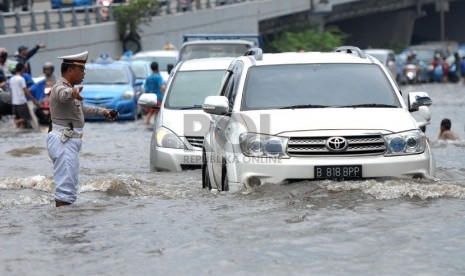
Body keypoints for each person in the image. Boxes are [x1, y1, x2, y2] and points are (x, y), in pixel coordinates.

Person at [46, 51, 118, 207]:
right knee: (65, 190)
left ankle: (67, 222)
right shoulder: (61, 88)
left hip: (69, 140)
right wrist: (72, 92)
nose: (84, 73)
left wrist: (103, 112)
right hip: (63, 140)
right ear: (71, 70)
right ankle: (64, 226)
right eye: (82, 70)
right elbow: (63, 95)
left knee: (69, 186)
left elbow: (81, 108)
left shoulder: (69, 89)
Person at [9, 62, 40, 128]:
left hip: (14, 103)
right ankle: (13, 122)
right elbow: (26, 91)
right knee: (27, 119)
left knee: (20, 121)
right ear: (22, 69)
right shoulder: (21, 79)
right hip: (22, 102)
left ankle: (17, 124)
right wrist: (34, 100)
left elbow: (11, 92)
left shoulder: (11, 79)